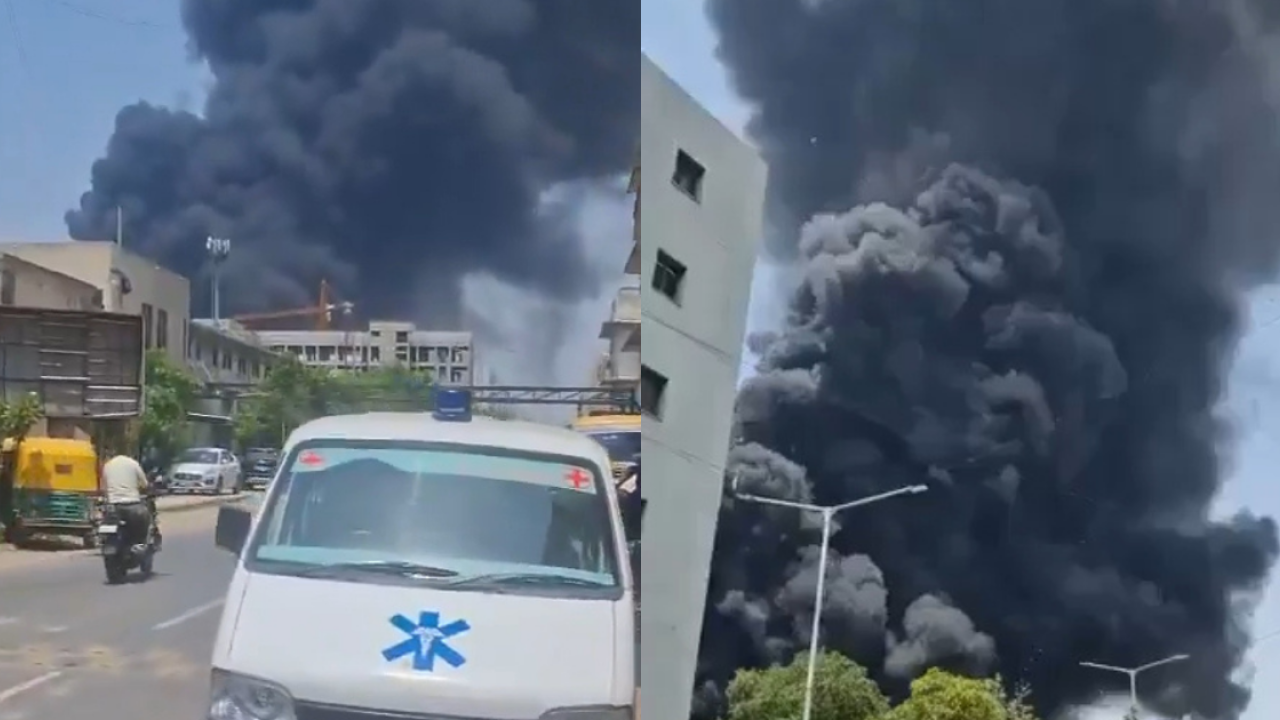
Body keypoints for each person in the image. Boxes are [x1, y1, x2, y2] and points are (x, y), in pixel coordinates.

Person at [101, 453, 161, 549]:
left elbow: (104, 487)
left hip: (113, 505)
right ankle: (139, 545)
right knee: (143, 522)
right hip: (132, 503)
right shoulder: (133, 464)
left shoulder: (107, 466)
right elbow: (144, 484)